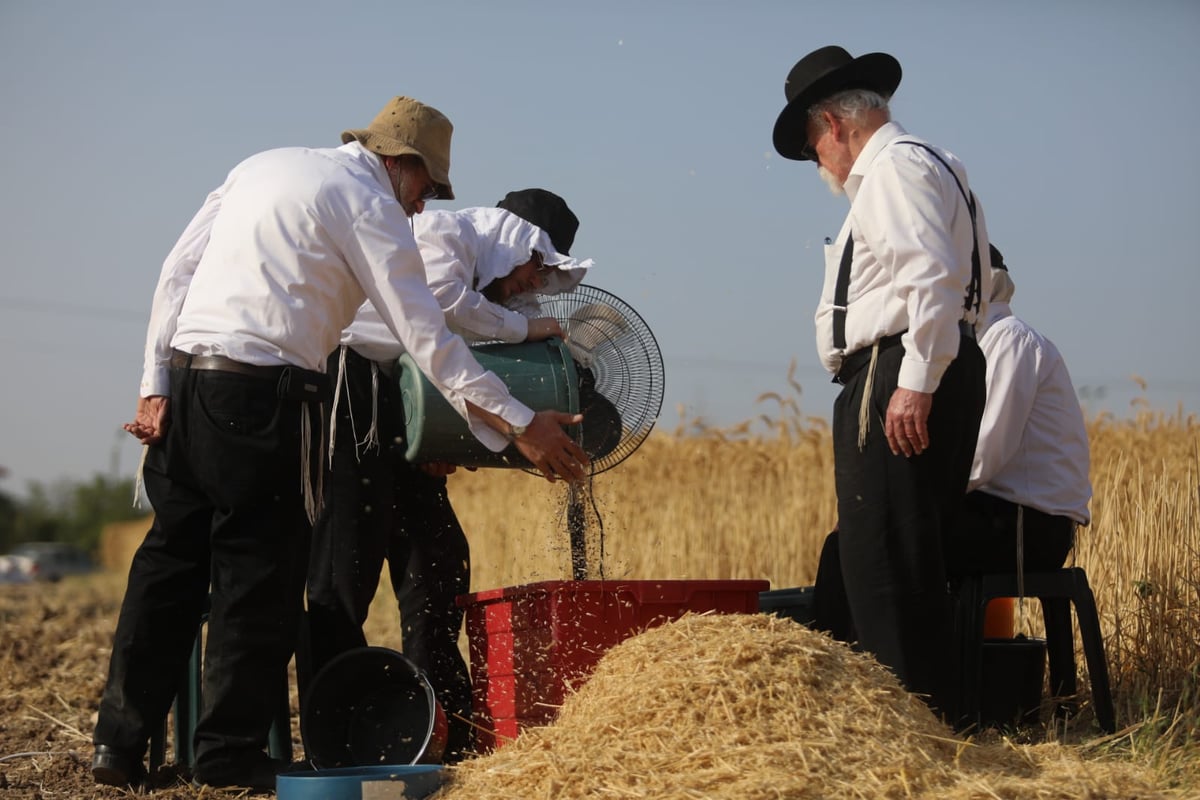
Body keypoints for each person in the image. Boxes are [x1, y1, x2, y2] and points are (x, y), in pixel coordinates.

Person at [93, 96, 589, 791]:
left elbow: (176, 271)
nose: (423, 208)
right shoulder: (371, 206)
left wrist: (155, 382)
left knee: (167, 568)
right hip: (268, 397)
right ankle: (229, 756)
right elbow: (427, 337)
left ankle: (117, 746)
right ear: (403, 164)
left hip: (188, 380)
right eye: (426, 190)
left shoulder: (260, 166)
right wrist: (520, 424)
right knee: (258, 575)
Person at [302, 189, 590, 762]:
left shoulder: (489, 295)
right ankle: (337, 743)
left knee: (437, 561)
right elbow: (439, 310)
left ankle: (448, 733)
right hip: (349, 391)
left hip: (397, 400)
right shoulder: (444, 239)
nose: (535, 284)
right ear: (513, 241)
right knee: (344, 574)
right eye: (537, 267)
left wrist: (433, 436)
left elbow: (445, 366)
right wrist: (527, 335)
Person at [773, 46, 990, 717]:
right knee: (909, 554)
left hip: (897, 367)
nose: (819, 164)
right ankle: (932, 720)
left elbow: (931, 277)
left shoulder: (891, 168)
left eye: (813, 146)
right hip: (926, 361)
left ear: (834, 125)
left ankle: (909, 728)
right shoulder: (933, 162)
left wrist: (916, 380)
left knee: (883, 559)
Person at [945, 244, 1092, 575]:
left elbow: (985, 451)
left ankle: (830, 627)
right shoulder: (981, 347)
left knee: (896, 536)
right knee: (884, 529)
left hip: (1028, 525)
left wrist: (916, 495)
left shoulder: (1009, 340)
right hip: (1002, 514)